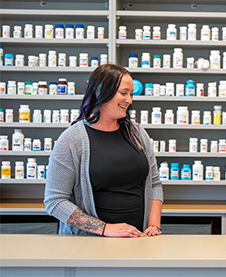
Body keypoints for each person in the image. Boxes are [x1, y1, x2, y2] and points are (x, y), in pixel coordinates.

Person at [44, 64, 163, 237]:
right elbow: (55, 201)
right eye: (123, 93)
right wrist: (105, 228)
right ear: (100, 92)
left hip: (139, 239)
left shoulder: (137, 133)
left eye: (131, 94)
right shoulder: (72, 139)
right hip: (89, 243)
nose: (129, 100)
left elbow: (154, 183)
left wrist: (154, 226)